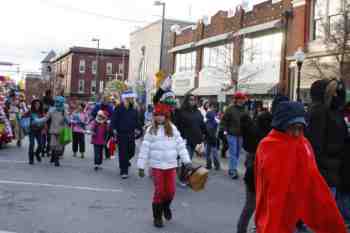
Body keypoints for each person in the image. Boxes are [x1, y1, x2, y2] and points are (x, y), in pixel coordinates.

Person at [255, 101, 347, 233]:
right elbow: (266, 184)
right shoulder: (268, 145)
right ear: (281, 125)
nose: (297, 133)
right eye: (293, 128)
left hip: (295, 207)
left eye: (300, 128)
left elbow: (313, 178)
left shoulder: (303, 143)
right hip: (274, 205)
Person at [137, 103, 192, 228]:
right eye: (157, 115)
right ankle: (157, 217)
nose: (159, 118)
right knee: (160, 191)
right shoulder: (151, 130)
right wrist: (141, 166)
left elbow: (180, 146)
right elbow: (145, 148)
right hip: (157, 166)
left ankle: (166, 206)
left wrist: (187, 161)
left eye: (162, 115)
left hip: (171, 165)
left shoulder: (173, 129)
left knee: (171, 191)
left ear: (166, 116)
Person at [307, 79, 347, 196]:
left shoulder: (334, 112)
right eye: (334, 92)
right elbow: (315, 146)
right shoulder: (319, 112)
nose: (336, 95)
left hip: (334, 172)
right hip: (325, 174)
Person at [236, 106, 272, 233]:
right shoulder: (267, 137)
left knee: (250, 205)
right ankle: (256, 228)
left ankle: (242, 229)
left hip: (252, 172)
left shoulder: (252, 130)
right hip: (258, 172)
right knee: (259, 205)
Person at [112, 90, 142, 179]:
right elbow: (114, 119)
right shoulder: (119, 107)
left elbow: (137, 121)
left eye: (133, 98)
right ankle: (123, 171)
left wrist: (140, 129)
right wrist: (113, 129)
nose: (133, 99)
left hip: (131, 133)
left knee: (131, 151)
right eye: (131, 98)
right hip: (121, 133)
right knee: (123, 153)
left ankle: (125, 161)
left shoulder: (134, 109)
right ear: (127, 98)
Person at [220, 92, 248, 179]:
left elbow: (248, 122)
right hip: (231, 134)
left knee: (237, 153)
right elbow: (224, 121)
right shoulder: (230, 109)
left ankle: (232, 168)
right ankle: (233, 171)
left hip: (241, 135)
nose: (243, 100)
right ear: (237, 99)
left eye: (244, 99)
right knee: (233, 153)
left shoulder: (245, 109)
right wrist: (224, 131)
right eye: (242, 99)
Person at [175, 94, 206, 159]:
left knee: (189, 159)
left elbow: (202, 125)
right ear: (186, 101)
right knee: (186, 160)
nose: (193, 101)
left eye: (194, 100)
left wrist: (204, 137)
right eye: (191, 100)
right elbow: (177, 124)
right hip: (185, 140)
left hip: (196, 140)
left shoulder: (197, 112)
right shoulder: (181, 111)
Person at [46, 96, 68, 167]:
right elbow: (46, 118)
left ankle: (56, 160)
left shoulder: (64, 111)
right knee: (52, 145)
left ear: (62, 102)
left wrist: (66, 120)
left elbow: (68, 120)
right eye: (56, 101)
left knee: (59, 147)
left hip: (61, 131)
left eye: (58, 102)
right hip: (53, 130)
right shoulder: (52, 110)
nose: (56, 103)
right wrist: (37, 121)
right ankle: (53, 156)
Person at [28, 99, 45, 165]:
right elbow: (23, 117)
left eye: (38, 104)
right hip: (31, 130)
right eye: (36, 104)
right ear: (33, 105)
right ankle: (31, 159)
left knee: (41, 145)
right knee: (32, 144)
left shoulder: (41, 112)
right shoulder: (30, 111)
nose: (37, 105)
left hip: (39, 130)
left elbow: (44, 121)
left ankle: (37, 154)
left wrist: (44, 129)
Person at [205, 103, 220, 170]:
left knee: (208, 153)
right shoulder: (215, 121)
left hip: (209, 138)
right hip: (213, 138)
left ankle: (209, 165)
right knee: (214, 153)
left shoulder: (207, 121)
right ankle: (216, 166)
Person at [41, 90, 54, 157]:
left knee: (43, 136)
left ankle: (42, 151)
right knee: (49, 137)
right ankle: (48, 151)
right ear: (49, 94)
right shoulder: (52, 101)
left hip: (43, 120)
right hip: (50, 121)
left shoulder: (42, 100)